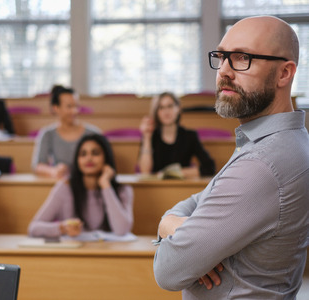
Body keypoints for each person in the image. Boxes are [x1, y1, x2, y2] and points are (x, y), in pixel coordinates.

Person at [153, 16, 309, 299]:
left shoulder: (262, 164)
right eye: (221, 56)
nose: (224, 70)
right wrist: (171, 221)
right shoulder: (276, 143)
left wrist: (173, 231)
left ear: (284, 74)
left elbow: (168, 270)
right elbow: (199, 201)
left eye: (241, 58)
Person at [28, 134, 133, 238]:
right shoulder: (64, 188)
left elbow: (122, 230)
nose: (89, 158)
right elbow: (33, 228)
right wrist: (62, 228)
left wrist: (105, 184)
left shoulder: (123, 191)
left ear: (106, 158)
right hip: (75, 252)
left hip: (109, 252)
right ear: (77, 160)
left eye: (95, 153)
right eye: (83, 154)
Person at [138, 92, 215, 178]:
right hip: (156, 188)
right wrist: (147, 137)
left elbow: (210, 168)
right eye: (161, 107)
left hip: (181, 187)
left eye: (170, 106)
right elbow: (145, 171)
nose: (166, 111)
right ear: (157, 112)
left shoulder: (190, 136)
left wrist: (180, 172)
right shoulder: (151, 135)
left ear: (178, 108)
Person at [31, 85, 100, 179]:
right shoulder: (48, 134)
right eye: (69, 106)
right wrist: (53, 171)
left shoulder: (93, 133)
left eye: (76, 106)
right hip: (61, 184)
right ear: (56, 108)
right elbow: (38, 166)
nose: (74, 111)